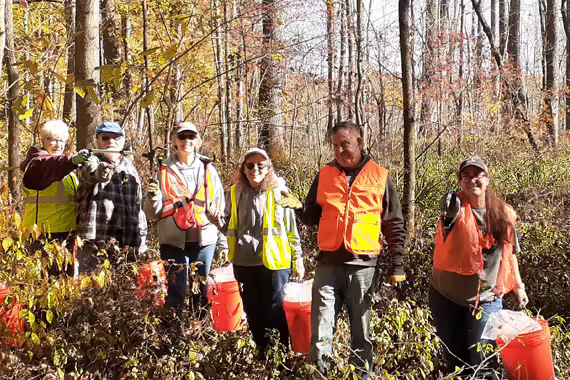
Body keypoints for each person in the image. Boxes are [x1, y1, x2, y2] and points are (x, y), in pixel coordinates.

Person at [278, 121, 407, 377]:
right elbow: (312, 215)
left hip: (363, 266)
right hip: (327, 265)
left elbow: (393, 223)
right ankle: (319, 374)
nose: (339, 150)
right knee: (321, 331)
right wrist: (299, 207)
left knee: (362, 333)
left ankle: (363, 375)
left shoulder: (380, 176)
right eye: (335, 145)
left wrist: (398, 265)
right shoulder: (325, 174)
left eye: (345, 144)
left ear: (359, 142)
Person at [429, 157, 528, 378]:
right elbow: (447, 219)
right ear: (460, 181)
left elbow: (510, 254)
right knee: (455, 361)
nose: (472, 180)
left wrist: (519, 286)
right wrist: (448, 207)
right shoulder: (453, 207)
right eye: (466, 176)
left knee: (484, 361)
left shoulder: (504, 214)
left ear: (488, 179)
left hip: (487, 300)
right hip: (446, 297)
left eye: (478, 175)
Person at [208, 148, 304, 357]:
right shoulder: (233, 193)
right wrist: (215, 219)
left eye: (261, 165)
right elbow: (228, 227)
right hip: (244, 262)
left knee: (275, 310)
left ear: (268, 168)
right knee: (252, 311)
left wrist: (298, 260)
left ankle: (280, 354)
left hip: (276, 262)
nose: (255, 169)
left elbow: (290, 230)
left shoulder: (279, 192)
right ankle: (262, 351)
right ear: (243, 168)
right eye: (250, 165)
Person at [144, 122, 226, 319]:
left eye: (191, 137)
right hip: (173, 241)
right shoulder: (162, 170)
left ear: (197, 141)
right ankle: (173, 336)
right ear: (174, 141)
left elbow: (220, 207)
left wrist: (223, 243)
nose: (186, 141)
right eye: (182, 137)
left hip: (205, 240)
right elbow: (152, 214)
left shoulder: (208, 170)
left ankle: (199, 334)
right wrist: (152, 196)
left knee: (201, 291)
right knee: (176, 292)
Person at [20, 120, 90, 274]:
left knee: (65, 282)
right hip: (42, 234)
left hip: (67, 234)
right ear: (42, 141)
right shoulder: (36, 164)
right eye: (52, 139)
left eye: (61, 141)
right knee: (44, 284)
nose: (57, 145)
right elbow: (50, 165)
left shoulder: (68, 171)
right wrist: (71, 160)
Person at [76, 122, 147, 272]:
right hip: (95, 239)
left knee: (125, 287)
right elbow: (94, 174)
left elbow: (138, 207)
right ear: (98, 141)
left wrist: (142, 239)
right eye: (105, 138)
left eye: (116, 138)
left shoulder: (130, 168)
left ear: (123, 141)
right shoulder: (89, 161)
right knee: (92, 288)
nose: (110, 142)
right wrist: (103, 169)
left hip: (127, 239)